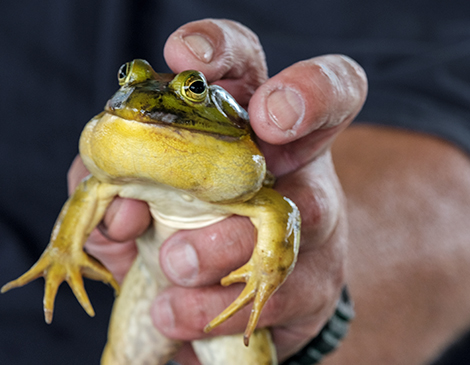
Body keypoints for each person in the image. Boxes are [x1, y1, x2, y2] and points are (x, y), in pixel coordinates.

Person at [2, 1, 470, 364]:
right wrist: (62, 252)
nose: (141, 98)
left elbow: (444, 144)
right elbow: (91, 190)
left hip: (230, 316)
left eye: (193, 89)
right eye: (130, 79)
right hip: (117, 296)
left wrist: (311, 309)